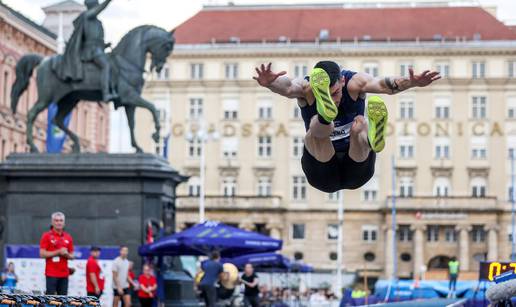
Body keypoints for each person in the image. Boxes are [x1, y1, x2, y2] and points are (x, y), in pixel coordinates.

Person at [254, 62, 440, 193]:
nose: (334, 99)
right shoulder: (307, 86)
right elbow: (287, 87)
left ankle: (371, 138)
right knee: (315, 131)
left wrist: (412, 82)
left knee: (360, 124)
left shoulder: (354, 83)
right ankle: (325, 118)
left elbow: (384, 85)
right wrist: (271, 82)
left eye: (335, 93)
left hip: (357, 165)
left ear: (342, 80)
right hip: (322, 170)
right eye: (326, 95)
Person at [52, 0, 117, 101]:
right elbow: (90, 40)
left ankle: (112, 89)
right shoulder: (87, 16)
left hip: (98, 49)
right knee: (106, 65)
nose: (98, 7)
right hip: (90, 51)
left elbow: (96, 39)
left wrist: (105, 45)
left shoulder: (97, 23)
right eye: (97, 5)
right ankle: (106, 93)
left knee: (113, 62)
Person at [39, 212, 74, 295]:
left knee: (63, 300)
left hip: (64, 274)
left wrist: (66, 254)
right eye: (56, 220)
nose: (59, 222)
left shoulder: (68, 237)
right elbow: (42, 253)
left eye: (61, 220)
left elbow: (72, 256)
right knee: (51, 300)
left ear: (64, 223)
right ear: (52, 222)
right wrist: (58, 252)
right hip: (51, 273)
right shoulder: (46, 236)